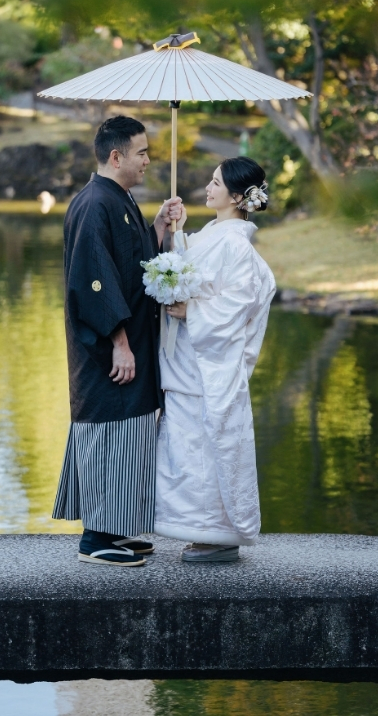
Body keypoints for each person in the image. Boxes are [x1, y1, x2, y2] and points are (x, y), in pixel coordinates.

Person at [52, 115, 183, 567]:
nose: (148, 160)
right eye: (142, 152)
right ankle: (95, 538)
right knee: (111, 429)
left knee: (130, 430)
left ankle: (113, 528)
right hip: (108, 348)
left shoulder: (119, 199)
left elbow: (131, 264)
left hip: (129, 342)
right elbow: (94, 281)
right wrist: (119, 343)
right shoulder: (94, 203)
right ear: (116, 156)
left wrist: (160, 230)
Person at [154, 157, 276, 562]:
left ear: (238, 197)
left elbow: (238, 301)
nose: (208, 187)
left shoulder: (237, 242)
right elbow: (193, 267)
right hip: (189, 360)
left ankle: (220, 532)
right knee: (187, 447)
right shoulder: (213, 232)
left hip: (208, 361)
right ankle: (199, 527)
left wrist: (193, 312)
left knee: (208, 447)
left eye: (216, 182)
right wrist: (176, 233)